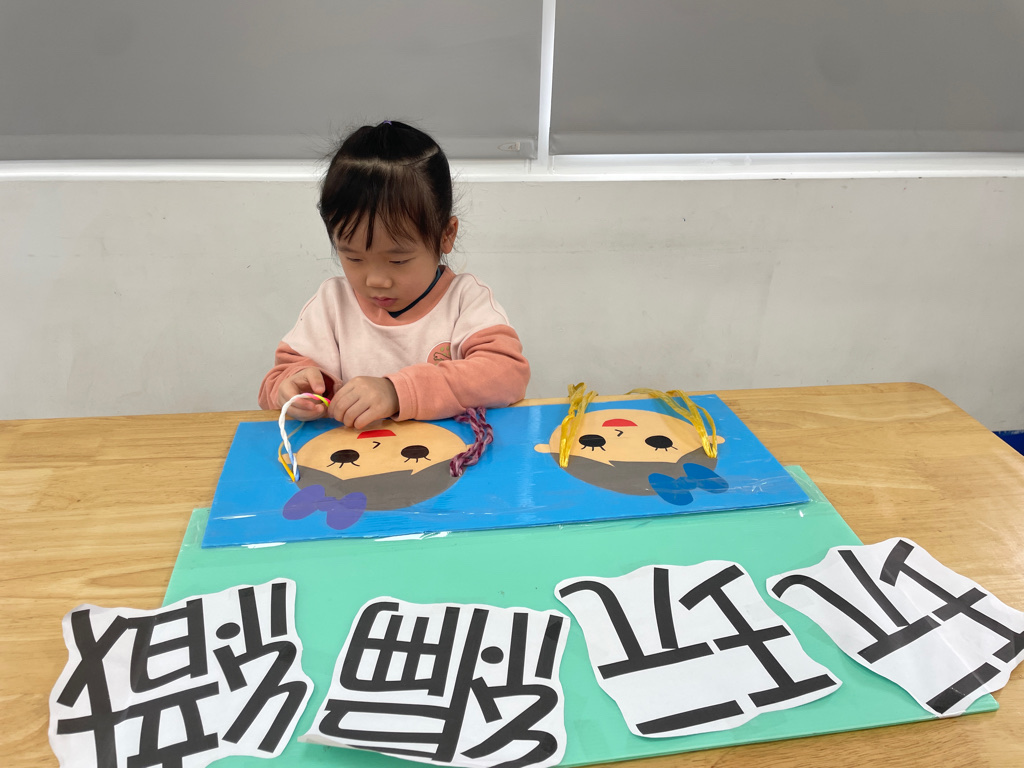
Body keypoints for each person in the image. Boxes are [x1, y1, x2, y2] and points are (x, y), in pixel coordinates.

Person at [258, 120, 530, 429]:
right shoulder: (332, 304)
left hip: (450, 456)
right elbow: (275, 383)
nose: (376, 280)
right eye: (354, 257)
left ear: (446, 235)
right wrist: (296, 388)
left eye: (398, 260)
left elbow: (507, 374)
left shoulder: (464, 301)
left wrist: (397, 391)